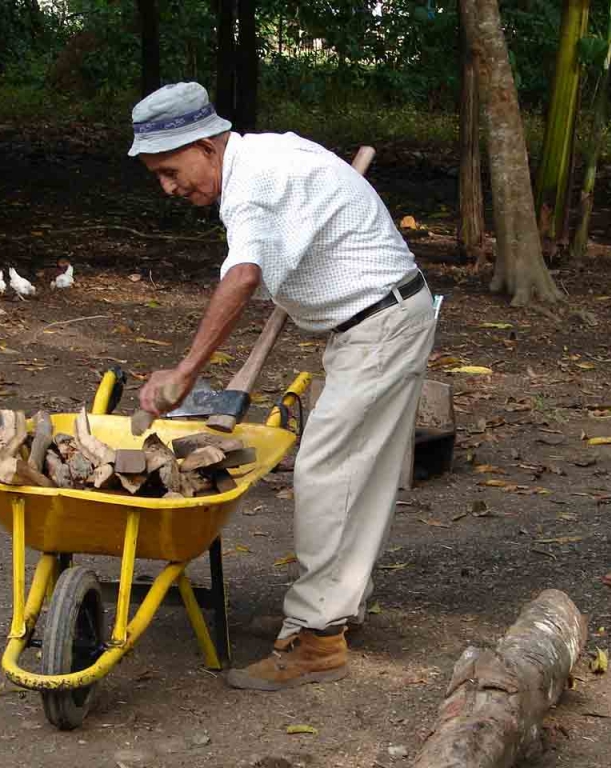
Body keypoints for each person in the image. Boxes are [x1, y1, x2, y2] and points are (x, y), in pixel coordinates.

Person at [129, 82, 437, 691]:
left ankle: (318, 640)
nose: (168, 188)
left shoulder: (256, 183)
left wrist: (185, 372)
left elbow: (243, 276)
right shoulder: (265, 159)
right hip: (381, 319)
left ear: (208, 146)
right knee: (357, 474)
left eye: (170, 170)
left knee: (327, 472)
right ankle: (333, 611)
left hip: (378, 324)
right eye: (156, 177)